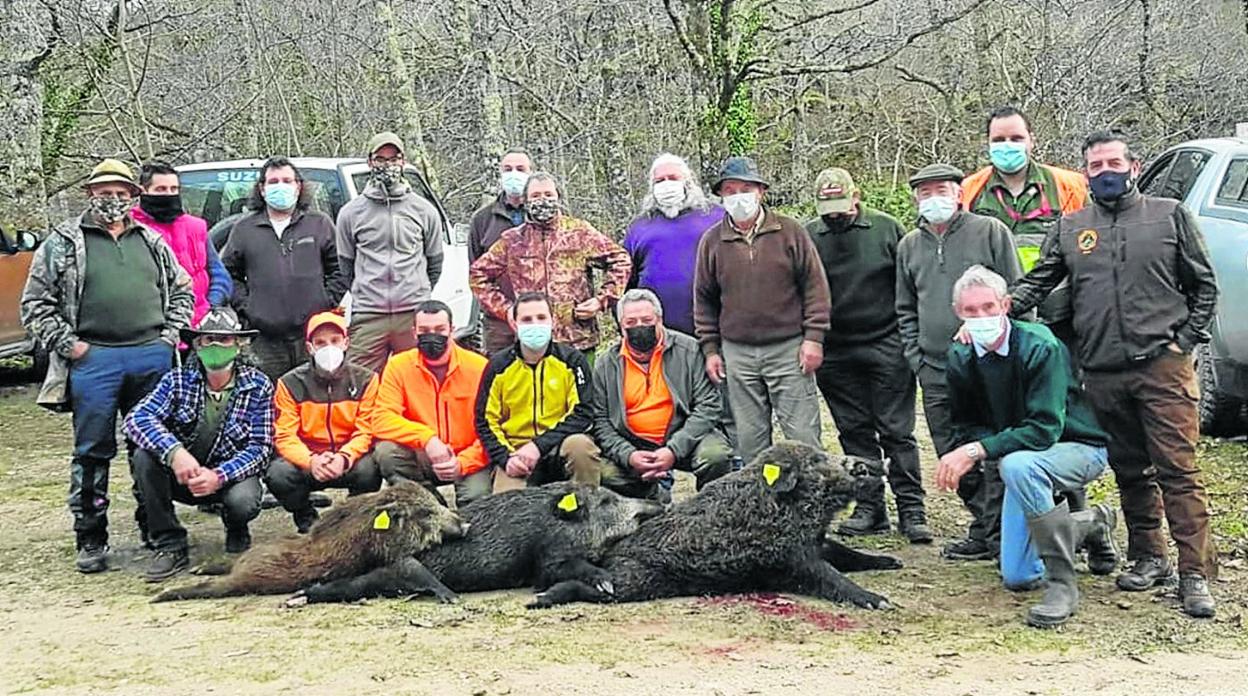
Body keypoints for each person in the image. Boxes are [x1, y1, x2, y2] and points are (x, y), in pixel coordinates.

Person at [1010, 131, 1219, 618]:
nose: (1105, 171)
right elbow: (1041, 280)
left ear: (1133, 164)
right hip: (1102, 369)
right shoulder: (1072, 225)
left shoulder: (1168, 215)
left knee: (1178, 470)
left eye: (1113, 162)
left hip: (1162, 367)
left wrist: (1183, 341)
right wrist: (1000, 310)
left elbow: (1204, 286)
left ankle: (1194, 573)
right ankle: (1149, 556)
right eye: (1096, 165)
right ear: (1085, 172)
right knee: (1130, 470)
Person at [20, 158, 193, 573]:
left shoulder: (151, 241)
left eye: (121, 192)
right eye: (104, 191)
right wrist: (70, 346)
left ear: (134, 196)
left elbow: (182, 290)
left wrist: (169, 336)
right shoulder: (63, 242)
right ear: (90, 194)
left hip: (150, 357)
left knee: (150, 447)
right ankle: (91, 534)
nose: (112, 199)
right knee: (93, 451)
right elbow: (34, 303)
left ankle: (154, 526)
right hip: (93, 359)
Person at [936, 266, 1117, 628]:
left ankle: (1062, 583)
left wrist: (975, 451)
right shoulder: (960, 356)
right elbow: (968, 424)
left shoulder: (1040, 345)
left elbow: (1044, 430)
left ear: (1006, 305)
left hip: (1077, 447)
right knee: (1017, 576)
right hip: (1020, 460)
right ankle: (1093, 523)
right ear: (958, 313)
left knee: (1017, 465)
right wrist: (973, 448)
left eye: (989, 307)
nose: (981, 317)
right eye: (970, 311)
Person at [895, 162, 1022, 561]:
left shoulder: (990, 232)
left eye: (942, 190)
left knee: (993, 449)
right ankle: (986, 525)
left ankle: (1003, 532)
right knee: (950, 449)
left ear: (960, 193)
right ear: (915, 198)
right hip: (935, 368)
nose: (934, 199)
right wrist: (915, 356)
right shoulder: (909, 246)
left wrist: (1013, 349)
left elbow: (1016, 294)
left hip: (991, 365)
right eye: (925, 192)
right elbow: (905, 308)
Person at [803, 167, 930, 543]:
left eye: (842, 204)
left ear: (856, 195)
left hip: (886, 341)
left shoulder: (886, 228)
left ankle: (912, 508)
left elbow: (910, 283)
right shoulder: (810, 235)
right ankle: (870, 505)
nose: (836, 213)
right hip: (836, 348)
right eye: (828, 207)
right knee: (854, 431)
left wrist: (910, 338)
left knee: (896, 431)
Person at [693, 156, 831, 463]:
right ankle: (762, 507)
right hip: (738, 353)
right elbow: (704, 300)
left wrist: (814, 338)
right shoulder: (712, 241)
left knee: (803, 436)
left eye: (745, 188)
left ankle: (812, 503)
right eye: (730, 190)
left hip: (789, 348)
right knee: (750, 441)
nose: (738, 196)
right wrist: (711, 350)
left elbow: (815, 287)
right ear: (721, 196)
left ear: (761, 192)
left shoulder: (790, 232)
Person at [123, 307, 272, 581]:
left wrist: (218, 476)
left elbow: (260, 448)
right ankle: (169, 543)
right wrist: (174, 452)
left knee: (244, 500)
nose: (215, 346)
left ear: (239, 345)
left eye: (224, 340)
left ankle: (237, 527)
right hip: (184, 476)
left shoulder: (259, 385)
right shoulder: (176, 381)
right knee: (144, 456)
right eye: (207, 339)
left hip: (230, 479)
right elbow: (136, 418)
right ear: (196, 344)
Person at [469, 172, 632, 359]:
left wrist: (601, 300)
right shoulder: (513, 240)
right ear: (526, 201)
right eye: (536, 196)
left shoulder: (579, 233)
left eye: (548, 195)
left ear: (558, 197)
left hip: (578, 340)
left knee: (581, 388)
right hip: (531, 342)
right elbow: (477, 275)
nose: (543, 201)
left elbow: (620, 259)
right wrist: (506, 310)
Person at [590, 289, 732, 501]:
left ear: (660, 319)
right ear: (621, 326)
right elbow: (600, 421)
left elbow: (708, 406)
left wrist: (673, 450)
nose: (639, 326)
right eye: (631, 322)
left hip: (685, 436)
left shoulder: (690, 350)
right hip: (634, 443)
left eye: (647, 320)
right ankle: (653, 498)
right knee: (604, 473)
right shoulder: (605, 364)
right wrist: (628, 455)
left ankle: (711, 509)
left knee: (715, 456)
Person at [221, 157, 344, 380]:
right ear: (262, 188)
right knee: (267, 401)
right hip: (264, 339)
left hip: (312, 335)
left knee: (314, 397)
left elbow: (339, 268)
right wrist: (248, 307)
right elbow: (229, 273)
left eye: (287, 180)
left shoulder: (320, 224)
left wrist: (326, 301)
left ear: (298, 186)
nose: (281, 186)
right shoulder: (244, 229)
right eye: (273, 181)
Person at [336, 132, 445, 373]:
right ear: (370, 162)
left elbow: (434, 263)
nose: (388, 165)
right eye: (381, 159)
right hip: (368, 314)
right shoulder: (351, 213)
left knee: (418, 379)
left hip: (413, 312)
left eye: (394, 159)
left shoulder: (423, 210)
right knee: (358, 382)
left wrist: (415, 290)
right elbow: (345, 266)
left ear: (403, 161)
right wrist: (366, 291)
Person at [266, 311, 383, 533]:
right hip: (308, 461)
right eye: (320, 342)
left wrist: (345, 457)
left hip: (349, 459)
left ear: (346, 342)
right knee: (278, 474)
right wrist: (311, 461)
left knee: (372, 467)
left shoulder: (367, 379)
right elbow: (285, 435)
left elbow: (366, 430)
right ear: (309, 347)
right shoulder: (289, 383)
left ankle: (354, 516)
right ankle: (305, 516)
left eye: (335, 340)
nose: (328, 347)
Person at [372, 300, 494, 506]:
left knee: (476, 502)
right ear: (414, 333)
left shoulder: (479, 367)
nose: (432, 335)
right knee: (386, 451)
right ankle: (430, 506)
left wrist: (463, 463)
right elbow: (381, 419)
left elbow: (492, 427)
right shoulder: (398, 366)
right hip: (423, 454)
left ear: (452, 330)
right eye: (425, 330)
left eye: (439, 329)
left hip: (469, 455)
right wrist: (427, 439)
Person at [475, 292, 599, 489]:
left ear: (552, 321)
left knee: (581, 448)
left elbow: (583, 413)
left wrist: (538, 446)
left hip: (559, 445)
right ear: (514, 324)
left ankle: (587, 507)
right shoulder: (497, 366)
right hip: (515, 452)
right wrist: (506, 458)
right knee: (506, 508)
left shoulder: (573, 361)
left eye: (541, 318)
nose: (535, 324)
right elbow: (485, 421)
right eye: (526, 319)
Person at [622, 153, 722, 336]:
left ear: (688, 182)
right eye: (660, 180)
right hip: (659, 336)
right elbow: (626, 282)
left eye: (673, 178)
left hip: (714, 329)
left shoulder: (717, 217)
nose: (667, 184)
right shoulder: (638, 228)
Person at [133, 160, 232, 327]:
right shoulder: (131, 229)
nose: (169, 194)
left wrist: (211, 306)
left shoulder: (196, 226)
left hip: (199, 325)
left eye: (174, 189)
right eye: (161, 189)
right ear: (143, 191)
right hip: (154, 328)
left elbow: (218, 273)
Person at [469, 148, 534, 354]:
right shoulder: (482, 219)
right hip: (499, 324)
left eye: (520, 169)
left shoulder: (546, 216)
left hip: (540, 318)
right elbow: (475, 273)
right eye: (508, 169)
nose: (514, 174)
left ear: (531, 173)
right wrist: (503, 309)